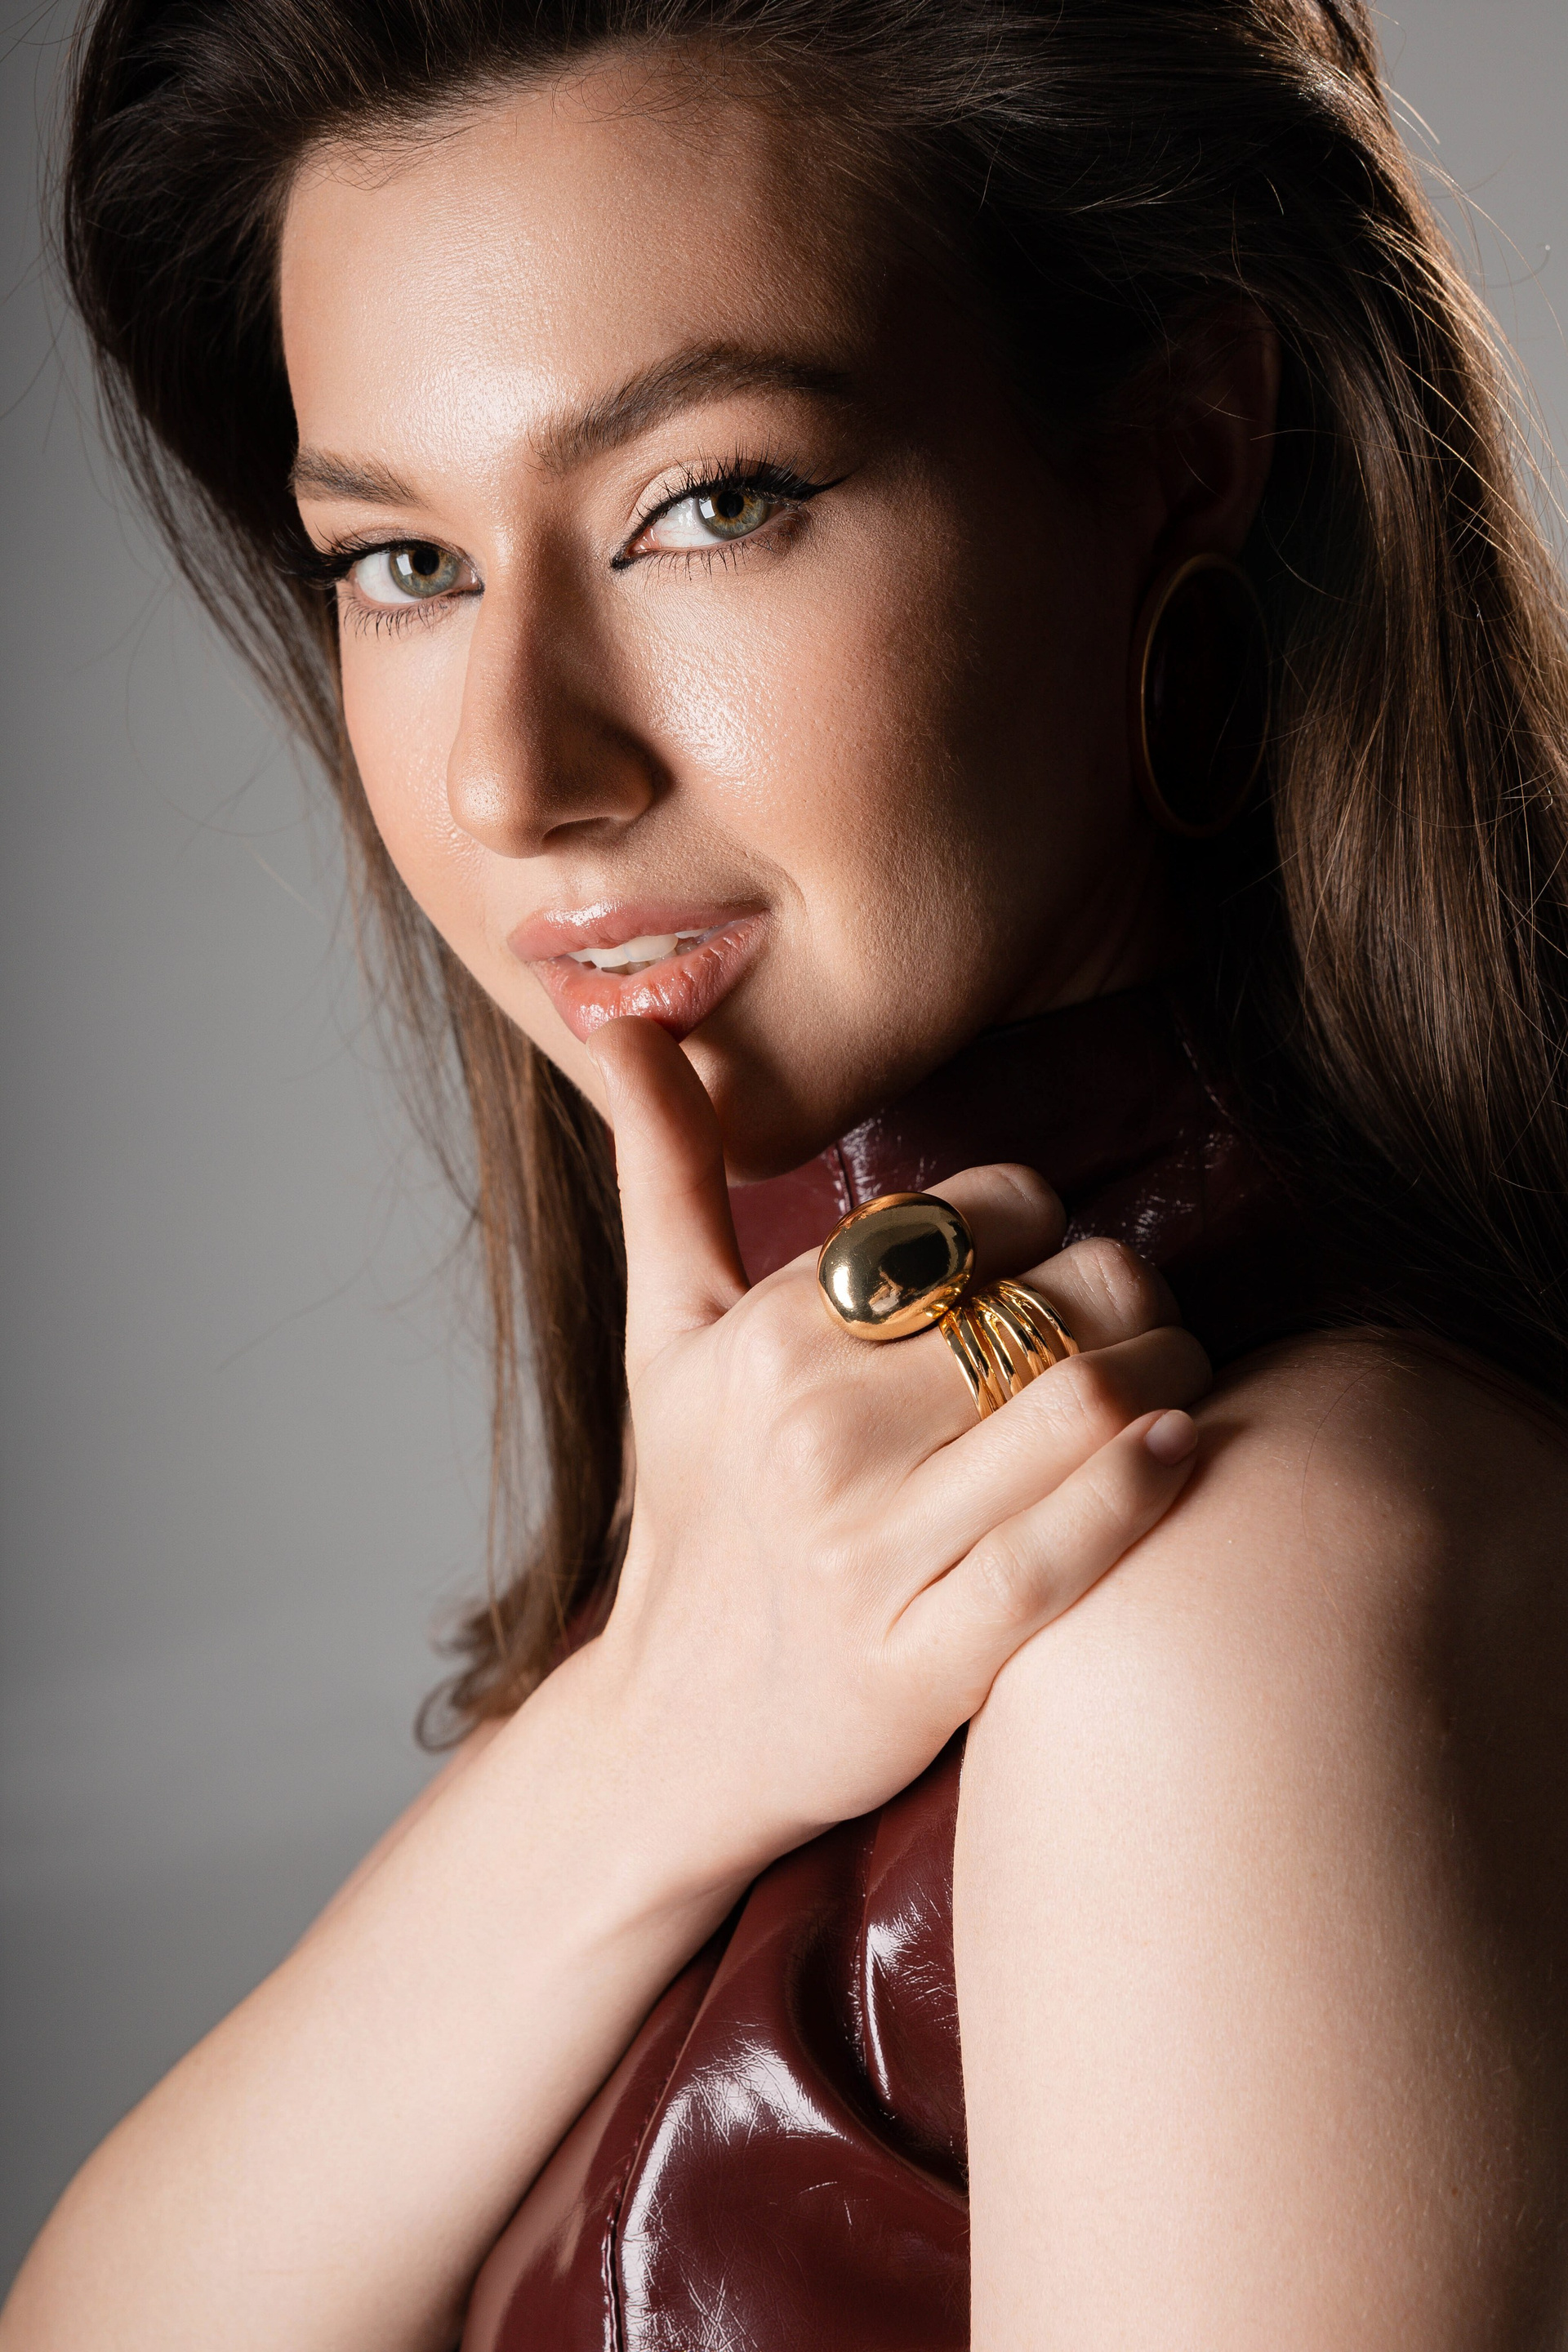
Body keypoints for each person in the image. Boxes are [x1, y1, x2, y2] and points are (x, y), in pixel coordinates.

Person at [7, 0, 1568, 2343]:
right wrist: (658, 1729)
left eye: (710, 504)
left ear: (1179, 455)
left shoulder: (1232, 1620)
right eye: (406, 559)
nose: (515, 775)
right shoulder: (771, 1576)